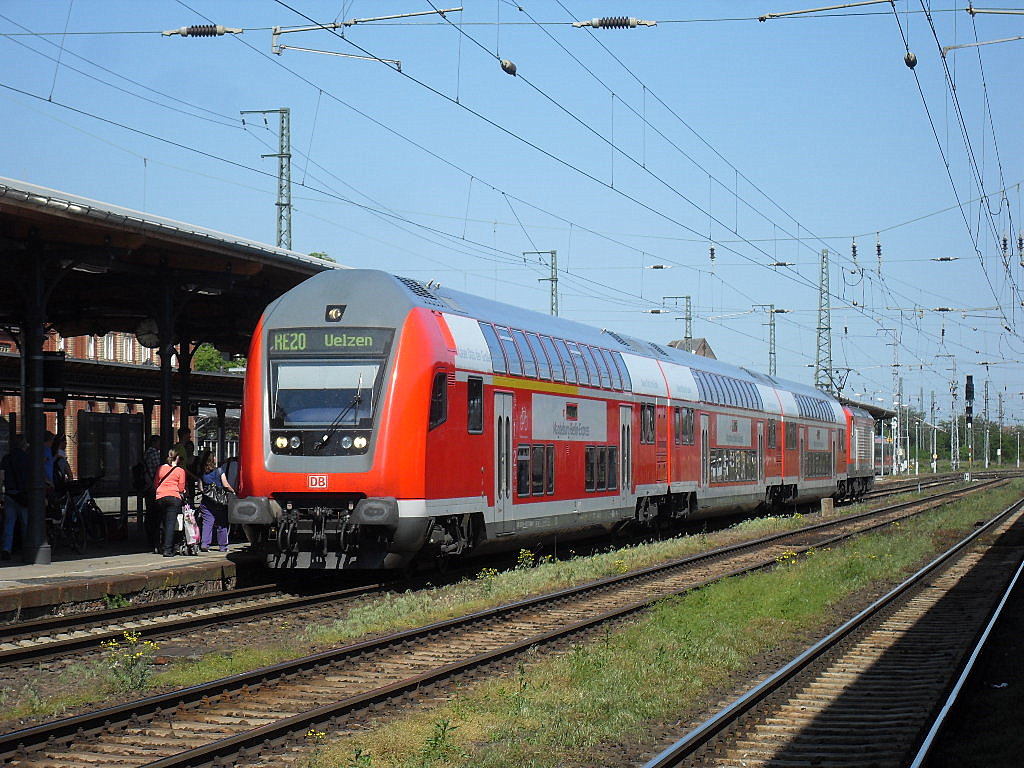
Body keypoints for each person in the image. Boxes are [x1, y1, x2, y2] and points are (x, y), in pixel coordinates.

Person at [0, 435, 30, 561]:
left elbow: (1, 477)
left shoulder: (6, 458)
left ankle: (6, 549)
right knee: (25, 523)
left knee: (9, 523)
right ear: (23, 445)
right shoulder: (27, 458)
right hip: (23, 495)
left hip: (10, 494)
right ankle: (27, 548)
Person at [154, 447, 187, 557]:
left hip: (160, 497)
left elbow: (156, 483)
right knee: (170, 524)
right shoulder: (180, 471)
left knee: (161, 522)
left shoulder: (161, 468)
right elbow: (181, 488)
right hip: (173, 498)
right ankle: (167, 549)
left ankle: (158, 545)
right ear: (177, 458)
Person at [198, 452, 234, 552]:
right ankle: (223, 546)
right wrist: (233, 491)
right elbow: (225, 485)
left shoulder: (202, 472)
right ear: (213, 459)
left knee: (207, 522)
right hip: (220, 502)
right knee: (222, 523)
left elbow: (200, 488)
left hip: (206, 501)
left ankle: (205, 544)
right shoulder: (219, 471)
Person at [141, 435, 161, 553]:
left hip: (148, 487)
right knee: (155, 514)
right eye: (159, 443)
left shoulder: (146, 454)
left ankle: (150, 538)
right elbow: (159, 469)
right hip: (154, 487)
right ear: (155, 443)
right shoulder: (153, 453)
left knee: (149, 513)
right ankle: (154, 540)